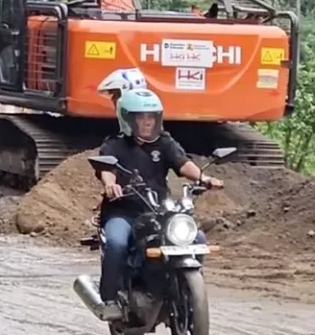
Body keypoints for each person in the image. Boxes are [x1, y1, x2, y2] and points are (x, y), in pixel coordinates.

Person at [94, 88, 223, 320]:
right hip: (123, 211)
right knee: (116, 243)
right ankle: (110, 299)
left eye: (151, 117)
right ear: (128, 119)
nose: (147, 122)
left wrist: (204, 178)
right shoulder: (114, 145)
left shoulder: (164, 142)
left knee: (197, 239)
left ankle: (185, 288)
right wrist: (111, 185)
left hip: (158, 211)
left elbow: (183, 164)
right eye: (141, 117)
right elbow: (107, 170)